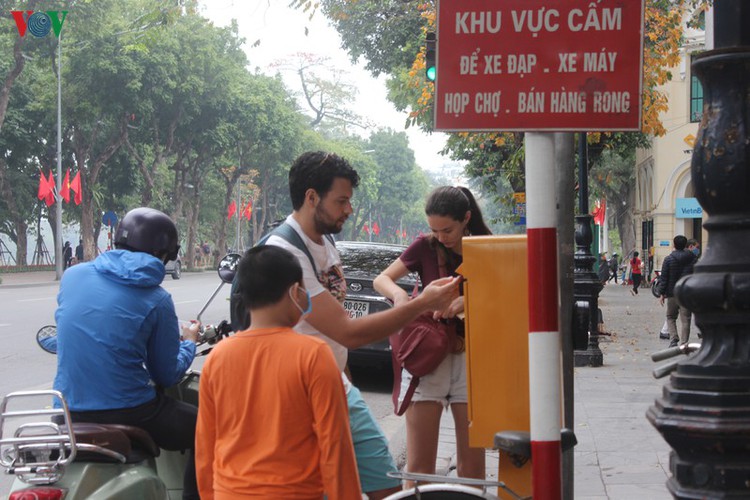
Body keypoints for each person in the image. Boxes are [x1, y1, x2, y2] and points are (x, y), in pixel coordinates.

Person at [239, 151, 459, 499]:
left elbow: (336, 341)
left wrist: (346, 379)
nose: (349, 209)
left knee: (384, 482)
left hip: (335, 383)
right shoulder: (285, 251)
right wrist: (423, 303)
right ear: (312, 197)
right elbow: (347, 331)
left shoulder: (325, 241)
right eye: (341, 201)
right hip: (297, 394)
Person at [53, 207, 200, 499]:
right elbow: (166, 373)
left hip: (66, 413)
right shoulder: (158, 300)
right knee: (212, 426)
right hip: (130, 412)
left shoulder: (72, 276)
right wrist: (190, 343)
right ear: (162, 255)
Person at [197, 246, 361, 499]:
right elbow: (336, 446)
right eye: (304, 288)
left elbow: (205, 446)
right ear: (295, 291)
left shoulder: (218, 357)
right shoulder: (313, 354)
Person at [373, 186, 490, 484]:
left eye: (447, 229)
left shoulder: (488, 247)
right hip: (428, 359)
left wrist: (470, 301)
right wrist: (401, 300)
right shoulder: (424, 247)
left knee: (473, 469)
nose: (441, 237)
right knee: (419, 468)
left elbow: (509, 293)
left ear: (466, 218)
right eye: (434, 230)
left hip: (472, 361)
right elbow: (382, 279)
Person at [657, 235, 697, 347]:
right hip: (686, 292)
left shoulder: (668, 259)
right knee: (686, 319)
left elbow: (664, 278)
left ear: (674, 245)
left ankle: (674, 339)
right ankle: (684, 342)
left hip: (672, 293)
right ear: (685, 245)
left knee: (670, 317)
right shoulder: (693, 259)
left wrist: (661, 294)